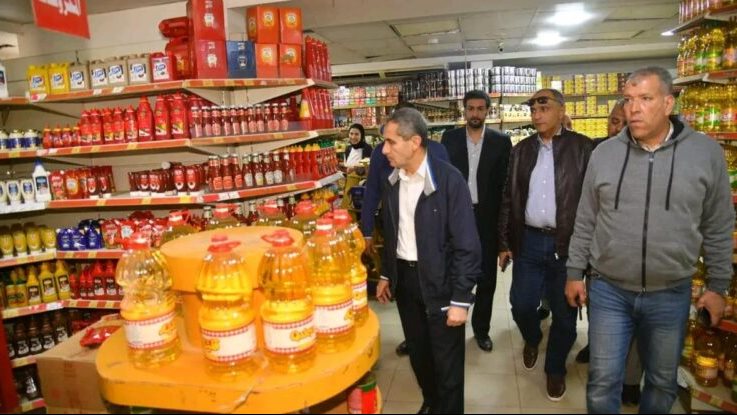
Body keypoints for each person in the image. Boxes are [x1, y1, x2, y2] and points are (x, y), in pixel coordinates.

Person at [565, 66, 735, 414]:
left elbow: (718, 224)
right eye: (628, 100)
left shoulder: (705, 154)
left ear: (668, 103)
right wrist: (574, 272)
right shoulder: (604, 154)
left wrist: (718, 286)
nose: (634, 109)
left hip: (670, 292)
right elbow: (586, 218)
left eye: (645, 98)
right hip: (608, 289)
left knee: (660, 382)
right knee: (602, 382)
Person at [376, 108, 482, 414]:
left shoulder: (449, 181)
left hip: (441, 283)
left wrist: (461, 299)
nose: (384, 150)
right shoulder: (392, 181)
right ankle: (432, 402)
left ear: (415, 142)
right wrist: (387, 273)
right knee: (420, 355)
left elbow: (467, 246)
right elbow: (392, 232)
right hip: (407, 283)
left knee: (447, 365)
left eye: (391, 142)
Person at [498, 88, 593, 401]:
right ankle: (532, 336)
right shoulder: (522, 150)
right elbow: (509, 197)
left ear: (561, 110)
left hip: (567, 244)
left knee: (565, 315)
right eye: (533, 109)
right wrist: (504, 241)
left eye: (544, 107)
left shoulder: (582, 148)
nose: (536, 114)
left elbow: (594, 202)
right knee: (521, 304)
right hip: (529, 241)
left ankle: (555, 369)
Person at [361, 102, 449, 357]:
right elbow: (371, 192)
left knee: (433, 304)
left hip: (431, 242)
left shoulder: (438, 152)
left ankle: (435, 341)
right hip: (397, 235)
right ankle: (414, 339)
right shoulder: (381, 154)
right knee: (408, 301)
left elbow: (448, 199)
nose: (387, 148)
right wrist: (367, 230)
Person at [441, 90, 511, 352]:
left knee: (486, 278)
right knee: (453, 272)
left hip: (487, 217)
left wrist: (504, 238)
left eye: (480, 109)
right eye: (471, 108)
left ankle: (481, 330)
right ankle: (452, 322)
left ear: (487, 111)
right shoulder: (449, 139)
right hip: (456, 215)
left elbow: (505, 188)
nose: (475, 113)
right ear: (464, 110)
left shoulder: (501, 141)